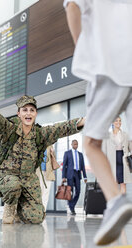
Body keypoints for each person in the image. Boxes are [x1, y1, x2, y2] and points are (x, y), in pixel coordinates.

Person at [63, 0, 132, 245]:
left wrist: (85, 54)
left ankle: (115, 202)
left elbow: (73, 7)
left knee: (91, 142)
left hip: (109, 67)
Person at [0, 94, 85, 224]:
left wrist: (86, 120)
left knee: (36, 218)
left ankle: (19, 209)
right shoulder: (10, 129)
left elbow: (63, 128)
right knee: (13, 185)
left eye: (32, 110)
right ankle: (10, 207)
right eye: (24, 110)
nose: (28, 113)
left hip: (29, 179)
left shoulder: (40, 133)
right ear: (18, 113)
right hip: (5, 177)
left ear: (36, 113)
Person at [103, 117, 132, 194]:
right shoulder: (107, 136)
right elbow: (104, 151)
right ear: (112, 122)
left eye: (120, 121)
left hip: (123, 159)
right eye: (116, 121)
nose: (118, 122)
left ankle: (123, 203)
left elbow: (130, 148)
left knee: (123, 183)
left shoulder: (125, 135)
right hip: (112, 160)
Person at [62, 139, 87, 215]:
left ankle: (71, 205)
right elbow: (64, 166)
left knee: (78, 191)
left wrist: (85, 177)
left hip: (77, 174)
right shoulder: (67, 153)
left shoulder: (80, 154)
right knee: (70, 191)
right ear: (71, 145)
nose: (76, 145)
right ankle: (72, 208)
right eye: (74, 144)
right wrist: (63, 177)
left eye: (77, 144)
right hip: (70, 174)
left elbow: (83, 166)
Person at [36, 145, 57, 211]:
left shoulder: (50, 146)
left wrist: (52, 153)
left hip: (48, 172)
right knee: (40, 191)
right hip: (39, 172)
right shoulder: (37, 145)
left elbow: (54, 158)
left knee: (46, 191)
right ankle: (38, 210)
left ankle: (43, 210)